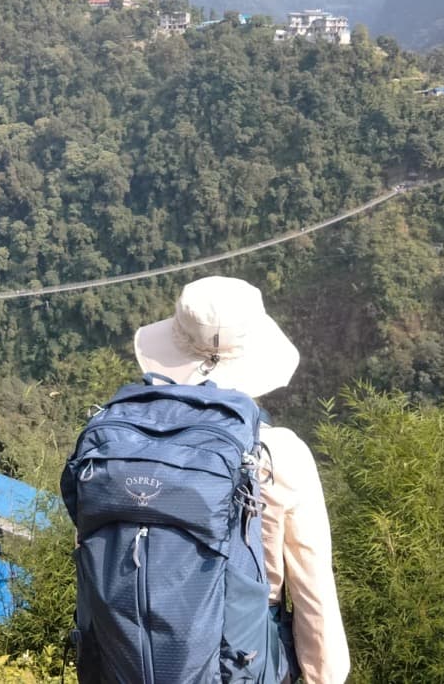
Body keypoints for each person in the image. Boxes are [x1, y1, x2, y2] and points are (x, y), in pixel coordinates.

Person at [132, 275, 350, 684]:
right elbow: (312, 592)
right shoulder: (278, 453)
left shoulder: (126, 442)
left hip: (132, 657)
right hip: (240, 660)